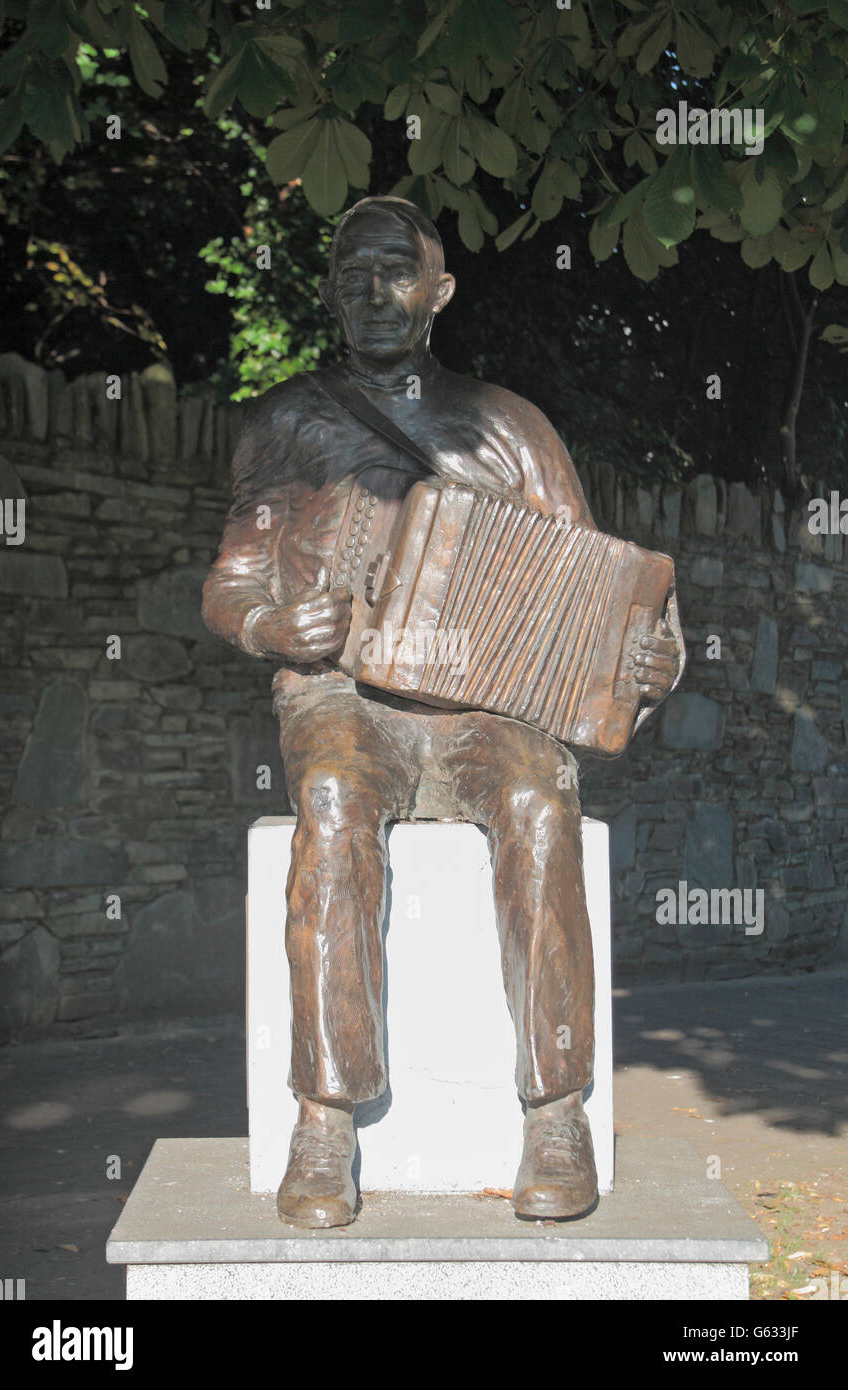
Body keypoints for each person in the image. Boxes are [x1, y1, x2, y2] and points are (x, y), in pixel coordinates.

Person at [202, 196, 680, 1227]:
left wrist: (648, 657)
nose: (371, 292)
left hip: (481, 710)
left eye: (394, 271)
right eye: (350, 274)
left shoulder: (510, 428)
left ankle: (554, 1110)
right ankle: (324, 1117)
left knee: (539, 803)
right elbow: (230, 583)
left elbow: (606, 589)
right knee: (328, 796)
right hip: (342, 697)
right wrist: (273, 628)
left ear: (439, 290)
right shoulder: (285, 424)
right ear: (330, 293)